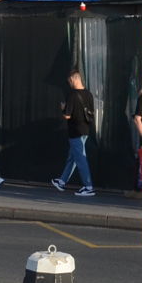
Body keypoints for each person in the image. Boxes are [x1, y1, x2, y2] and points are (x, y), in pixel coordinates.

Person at [51, 69, 97, 197]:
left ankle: (88, 186)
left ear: (73, 79)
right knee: (73, 157)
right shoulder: (89, 94)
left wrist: (63, 108)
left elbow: (67, 115)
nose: (70, 84)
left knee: (80, 158)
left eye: (70, 81)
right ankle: (62, 181)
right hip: (85, 130)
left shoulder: (72, 95)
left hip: (75, 131)